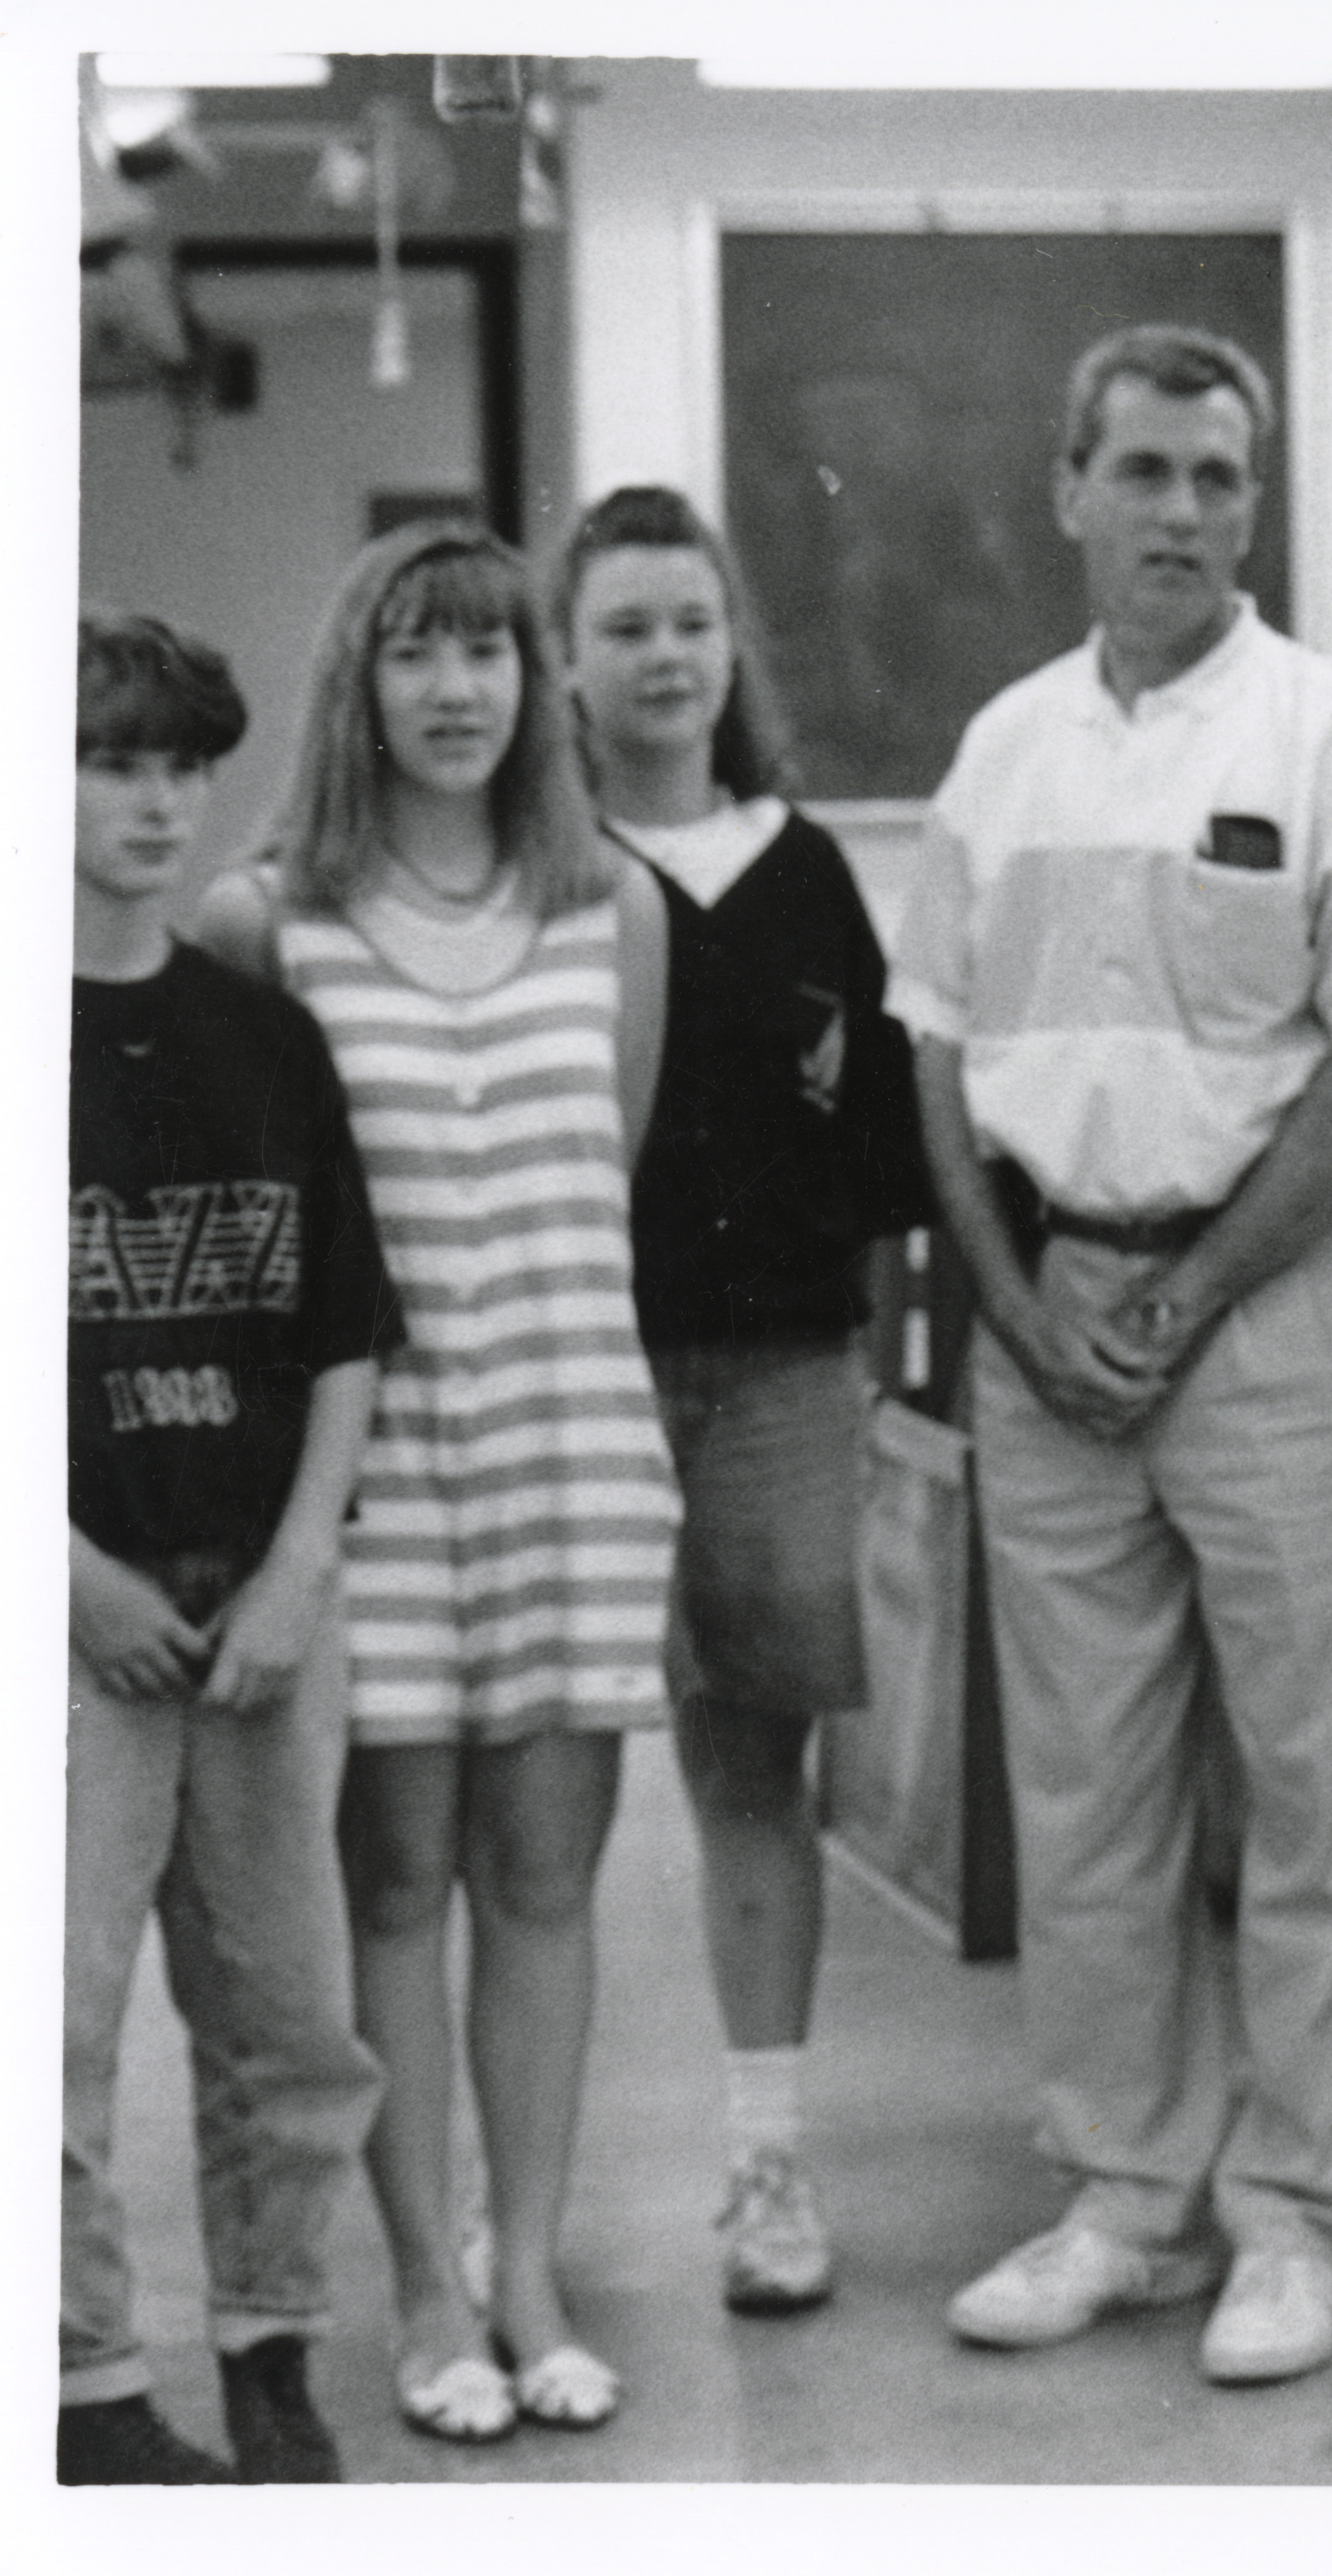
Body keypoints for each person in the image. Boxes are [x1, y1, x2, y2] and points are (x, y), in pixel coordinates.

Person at [888, 323, 1332, 2387]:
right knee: (1085, 1798)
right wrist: (1018, 1303)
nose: (1184, 512)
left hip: (1276, 1312)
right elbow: (937, 1055)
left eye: (1219, 477)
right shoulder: (999, 750)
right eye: (1144, 471)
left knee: (1312, 1786)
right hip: (1049, 1317)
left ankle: (1297, 2218)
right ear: (1069, 490)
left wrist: (1189, 1289)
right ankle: (1125, 2198)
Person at [197, 524, 678, 2446]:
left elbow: (602, 1175)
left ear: (534, 680)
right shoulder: (270, 919)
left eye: (488, 650)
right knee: (392, 1880)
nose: (457, 687)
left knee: (545, 1879)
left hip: (570, 1439)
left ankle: (530, 2270)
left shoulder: (614, 902)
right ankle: (422, 2287)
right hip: (370, 1466)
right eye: (417, 652)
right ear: (361, 682)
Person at [558, 485, 933, 2317]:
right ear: (568, 660)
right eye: (624, 626)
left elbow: (876, 1154)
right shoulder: (546, 872)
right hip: (577, 1370)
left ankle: (769, 2165)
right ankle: (513, 2199)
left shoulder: (805, 872)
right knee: (538, 1793)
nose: (663, 657)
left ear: (733, 646)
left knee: (751, 1772)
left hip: (781, 1374)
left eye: (689, 623)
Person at [64, 615, 398, 2485]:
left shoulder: (263, 1036)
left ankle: (273, 2346)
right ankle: (85, 2386)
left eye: (184, 765)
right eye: (112, 761)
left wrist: (296, 1570)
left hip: (260, 1603)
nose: (157, 801)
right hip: (71, 1610)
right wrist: (69, 1578)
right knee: (53, 2021)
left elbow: (344, 1330)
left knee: (292, 2016)